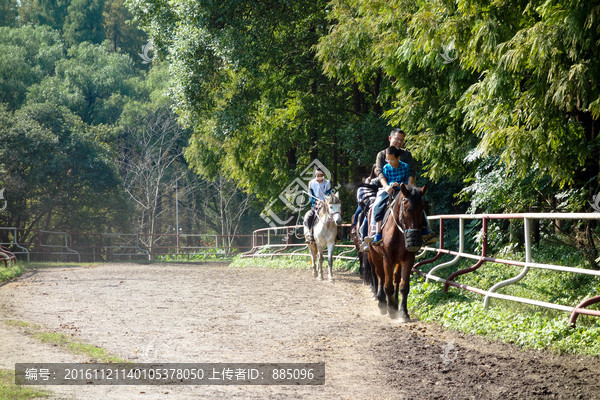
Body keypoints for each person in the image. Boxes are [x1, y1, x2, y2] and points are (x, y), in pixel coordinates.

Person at [373, 128, 436, 244]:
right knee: (377, 204)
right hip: (388, 187)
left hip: (405, 188)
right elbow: (380, 173)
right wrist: (387, 187)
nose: (399, 142)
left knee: (417, 202)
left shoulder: (407, 154)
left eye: (401, 140)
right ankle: (374, 233)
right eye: (397, 139)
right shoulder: (381, 155)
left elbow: (412, 171)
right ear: (390, 138)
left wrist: (410, 185)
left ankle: (426, 230)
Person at [365, 146, 410, 245]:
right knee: (377, 205)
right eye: (387, 159)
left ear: (398, 158)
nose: (389, 162)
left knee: (415, 202)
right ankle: (376, 233)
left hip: (402, 190)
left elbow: (407, 181)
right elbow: (386, 180)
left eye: (392, 159)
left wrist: (401, 185)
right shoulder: (386, 168)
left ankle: (425, 228)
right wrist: (390, 185)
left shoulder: (405, 167)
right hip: (389, 190)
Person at [303, 167, 332, 243]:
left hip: (325, 205)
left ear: (323, 175)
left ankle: (337, 235)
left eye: (320, 175)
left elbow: (329, 193)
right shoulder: (311, 183)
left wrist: (324, 201)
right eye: (317, 175)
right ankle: (310, 234)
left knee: (335, 215)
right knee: (308, 217)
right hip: (315, 205)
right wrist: (315, 201)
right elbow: (310, 194)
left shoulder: (327, 183)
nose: (318, 176)